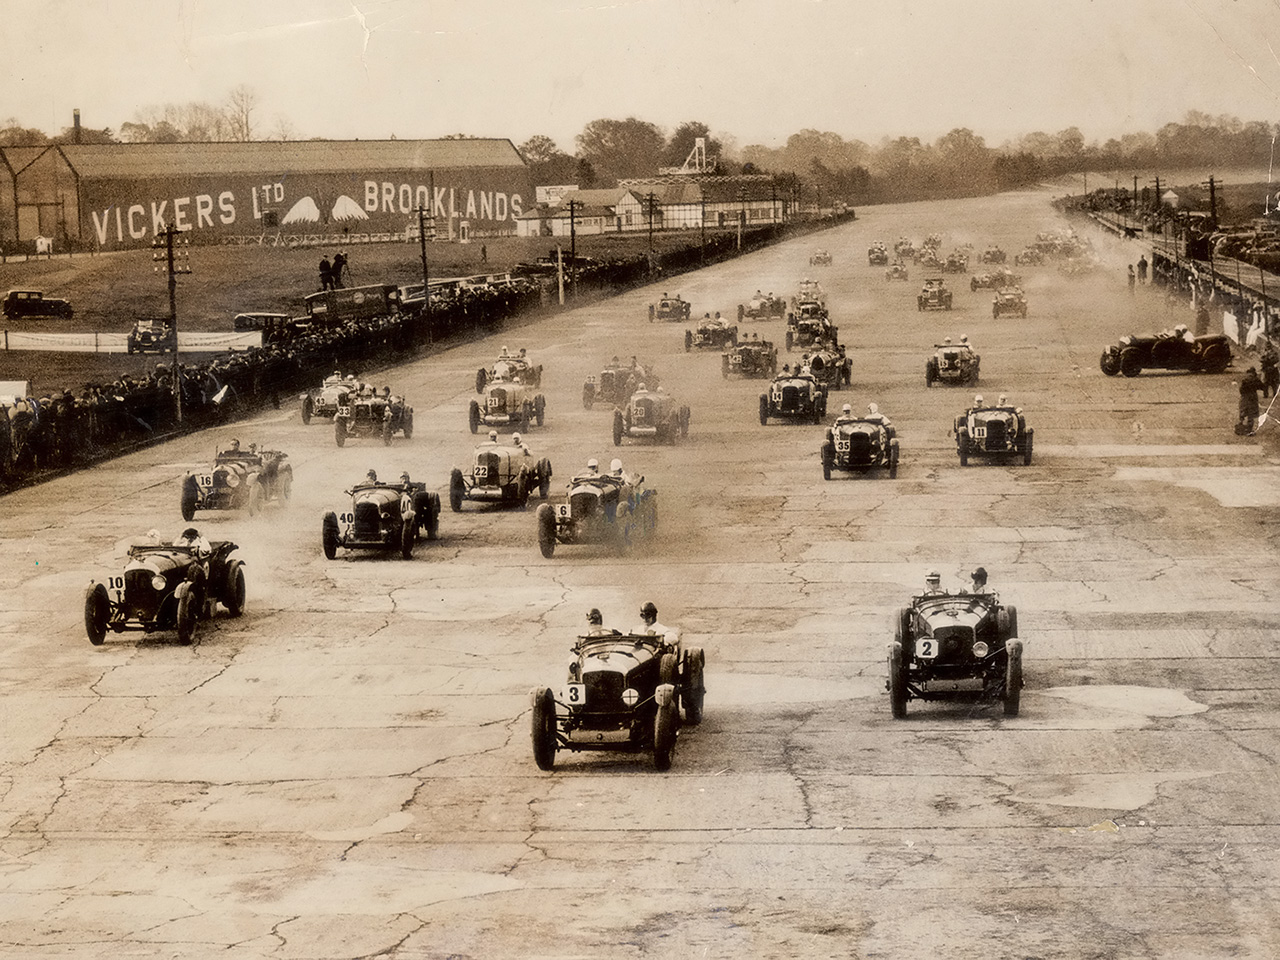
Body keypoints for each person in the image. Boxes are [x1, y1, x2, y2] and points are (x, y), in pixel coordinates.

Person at [1239, 366, 1264, 433]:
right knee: (1251, 413)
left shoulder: (1245, 379)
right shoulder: (1256, 379)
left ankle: (1241, 424)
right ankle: (1249, 428)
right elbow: (1262, 387)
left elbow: (1241, 390)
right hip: (1253, 397)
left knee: (1243, 410)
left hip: (1245, 397)